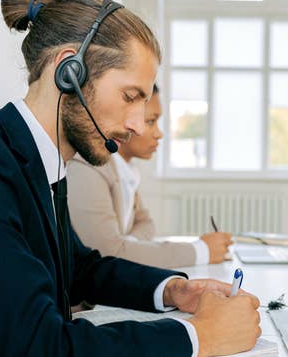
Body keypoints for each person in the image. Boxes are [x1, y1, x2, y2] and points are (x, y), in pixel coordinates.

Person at [0, 0, 260, 356]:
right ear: (68, 70)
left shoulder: (39, 162)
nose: (139, 125)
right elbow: (36, 346)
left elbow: (81, 269)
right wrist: (199, 335)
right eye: (130, 97)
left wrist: (174, 291)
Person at [67, 85, 232, 268]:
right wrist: (201, 251)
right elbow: (109, 254)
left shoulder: (124, 169)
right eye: (151, 121)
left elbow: (146, 223)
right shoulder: (87, 167)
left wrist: (126, 244)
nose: (159, 134)